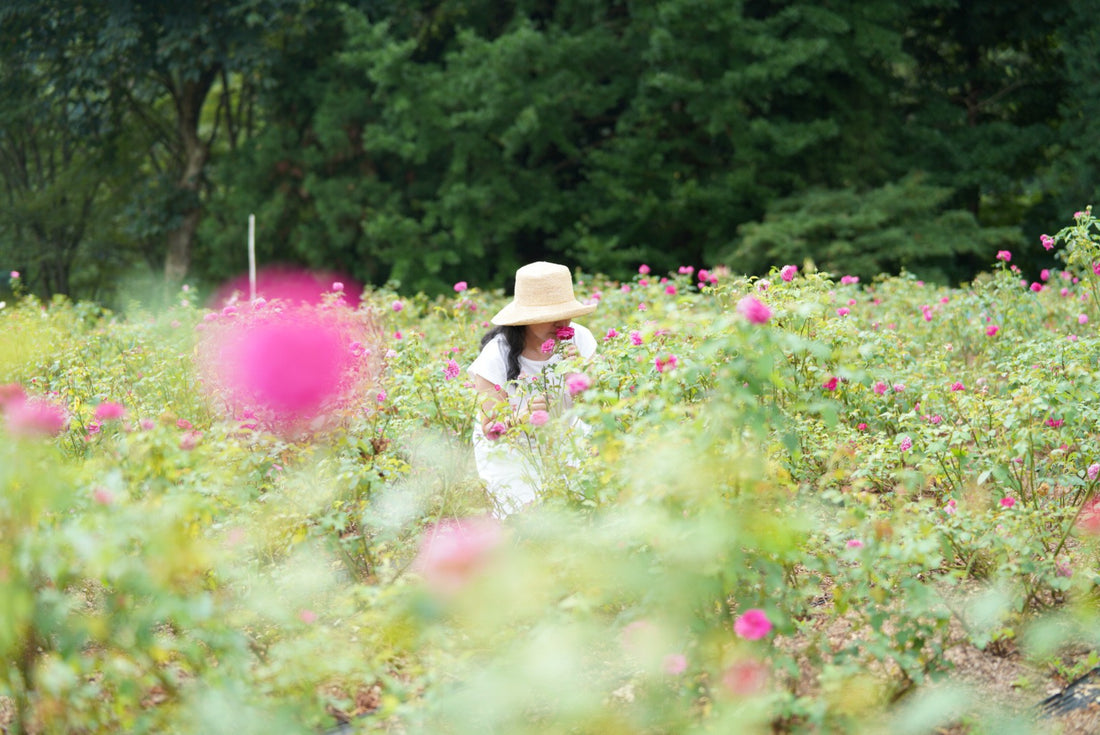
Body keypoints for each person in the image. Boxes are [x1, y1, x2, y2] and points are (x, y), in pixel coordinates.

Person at [467, 261, 597, 515]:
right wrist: (523, 415)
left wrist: (578, 374)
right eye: (550, 316)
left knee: (582, 510)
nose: (561, 322)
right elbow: (489, 427)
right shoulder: (496, 355)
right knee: (527, 520)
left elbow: (596, 406)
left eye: (565, 312)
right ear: (525, 319)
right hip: (513, 450)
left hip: (568, 435)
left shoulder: (580, 338)